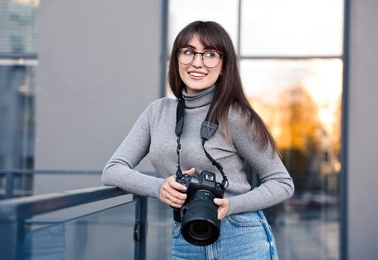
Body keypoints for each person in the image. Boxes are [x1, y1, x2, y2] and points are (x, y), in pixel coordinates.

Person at [102, 20, 294, 259]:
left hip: (240, 236)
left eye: (210, 54)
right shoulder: (157, 112)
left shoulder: (234, 115)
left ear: (224, 65)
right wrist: (159, 188)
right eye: (188, 52)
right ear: (177, 59)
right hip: (186, 237)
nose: (197, 62)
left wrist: (231, 206)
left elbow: (282, 183)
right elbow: (112, 170)